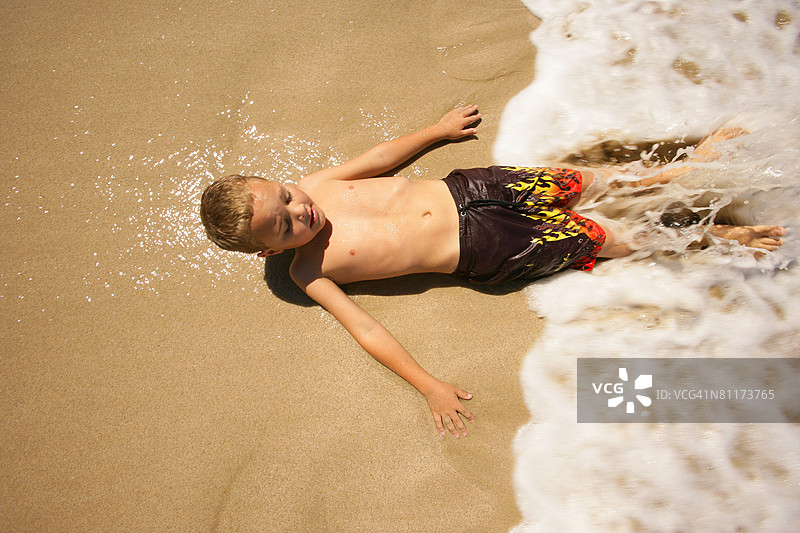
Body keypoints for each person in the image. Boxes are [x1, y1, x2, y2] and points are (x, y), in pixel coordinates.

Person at [200, 105, 786, 438]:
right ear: (271, 252)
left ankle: (671, 175)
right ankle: (709, 235)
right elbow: (366, 329)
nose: (299, 210)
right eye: (284, 226)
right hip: (486, 245)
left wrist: (435, 130)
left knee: (582, 181)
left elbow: (380, 157)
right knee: (599, 239)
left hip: (474, 187)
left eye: (285, 195)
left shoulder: (320, 183)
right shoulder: (311, 273)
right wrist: (429, 387)